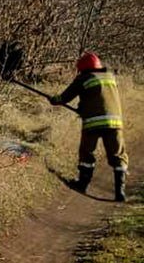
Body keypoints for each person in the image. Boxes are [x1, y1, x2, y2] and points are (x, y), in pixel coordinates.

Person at [50, 52, 128, 202]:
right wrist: (83, 106)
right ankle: (120, 192)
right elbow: (99, 97)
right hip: (115, 123)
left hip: (93, 122)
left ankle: (83, 184)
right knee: (118, 155)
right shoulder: (110, 77)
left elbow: (64, 98)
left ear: (83, 69)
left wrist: (54, 99)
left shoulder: (83, 78)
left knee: (87, 153)